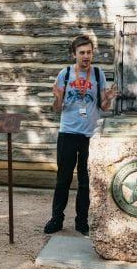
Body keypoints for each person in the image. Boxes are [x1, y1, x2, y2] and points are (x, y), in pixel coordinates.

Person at [43, 35, 117, 235]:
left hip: (89, 136)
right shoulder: (65, 74)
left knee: (85, 182)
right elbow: (56, 108)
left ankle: (81, 221)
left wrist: (108, 99)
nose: (86, 56)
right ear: (74, 54)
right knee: (63, 179)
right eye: (82, 52)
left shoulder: (98, 74)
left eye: (89, 52)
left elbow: (101, 105)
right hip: (67, 133)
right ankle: (56, 219)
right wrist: (57, 98)